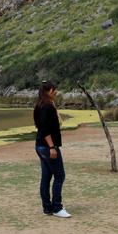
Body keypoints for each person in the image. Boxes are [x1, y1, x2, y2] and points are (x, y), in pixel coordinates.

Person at [34, 80, 70, 218]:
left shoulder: (44, 105)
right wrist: (52, 147)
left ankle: (47, 208)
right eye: (54, 90)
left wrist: (54, 107)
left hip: (41, 146)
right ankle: (56, 207)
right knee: (60, 176)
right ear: (48, 91)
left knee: (46, 177)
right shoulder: (45, 107)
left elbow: (58, 123)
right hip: (46, 147)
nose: (56, 92)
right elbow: (44, 128)